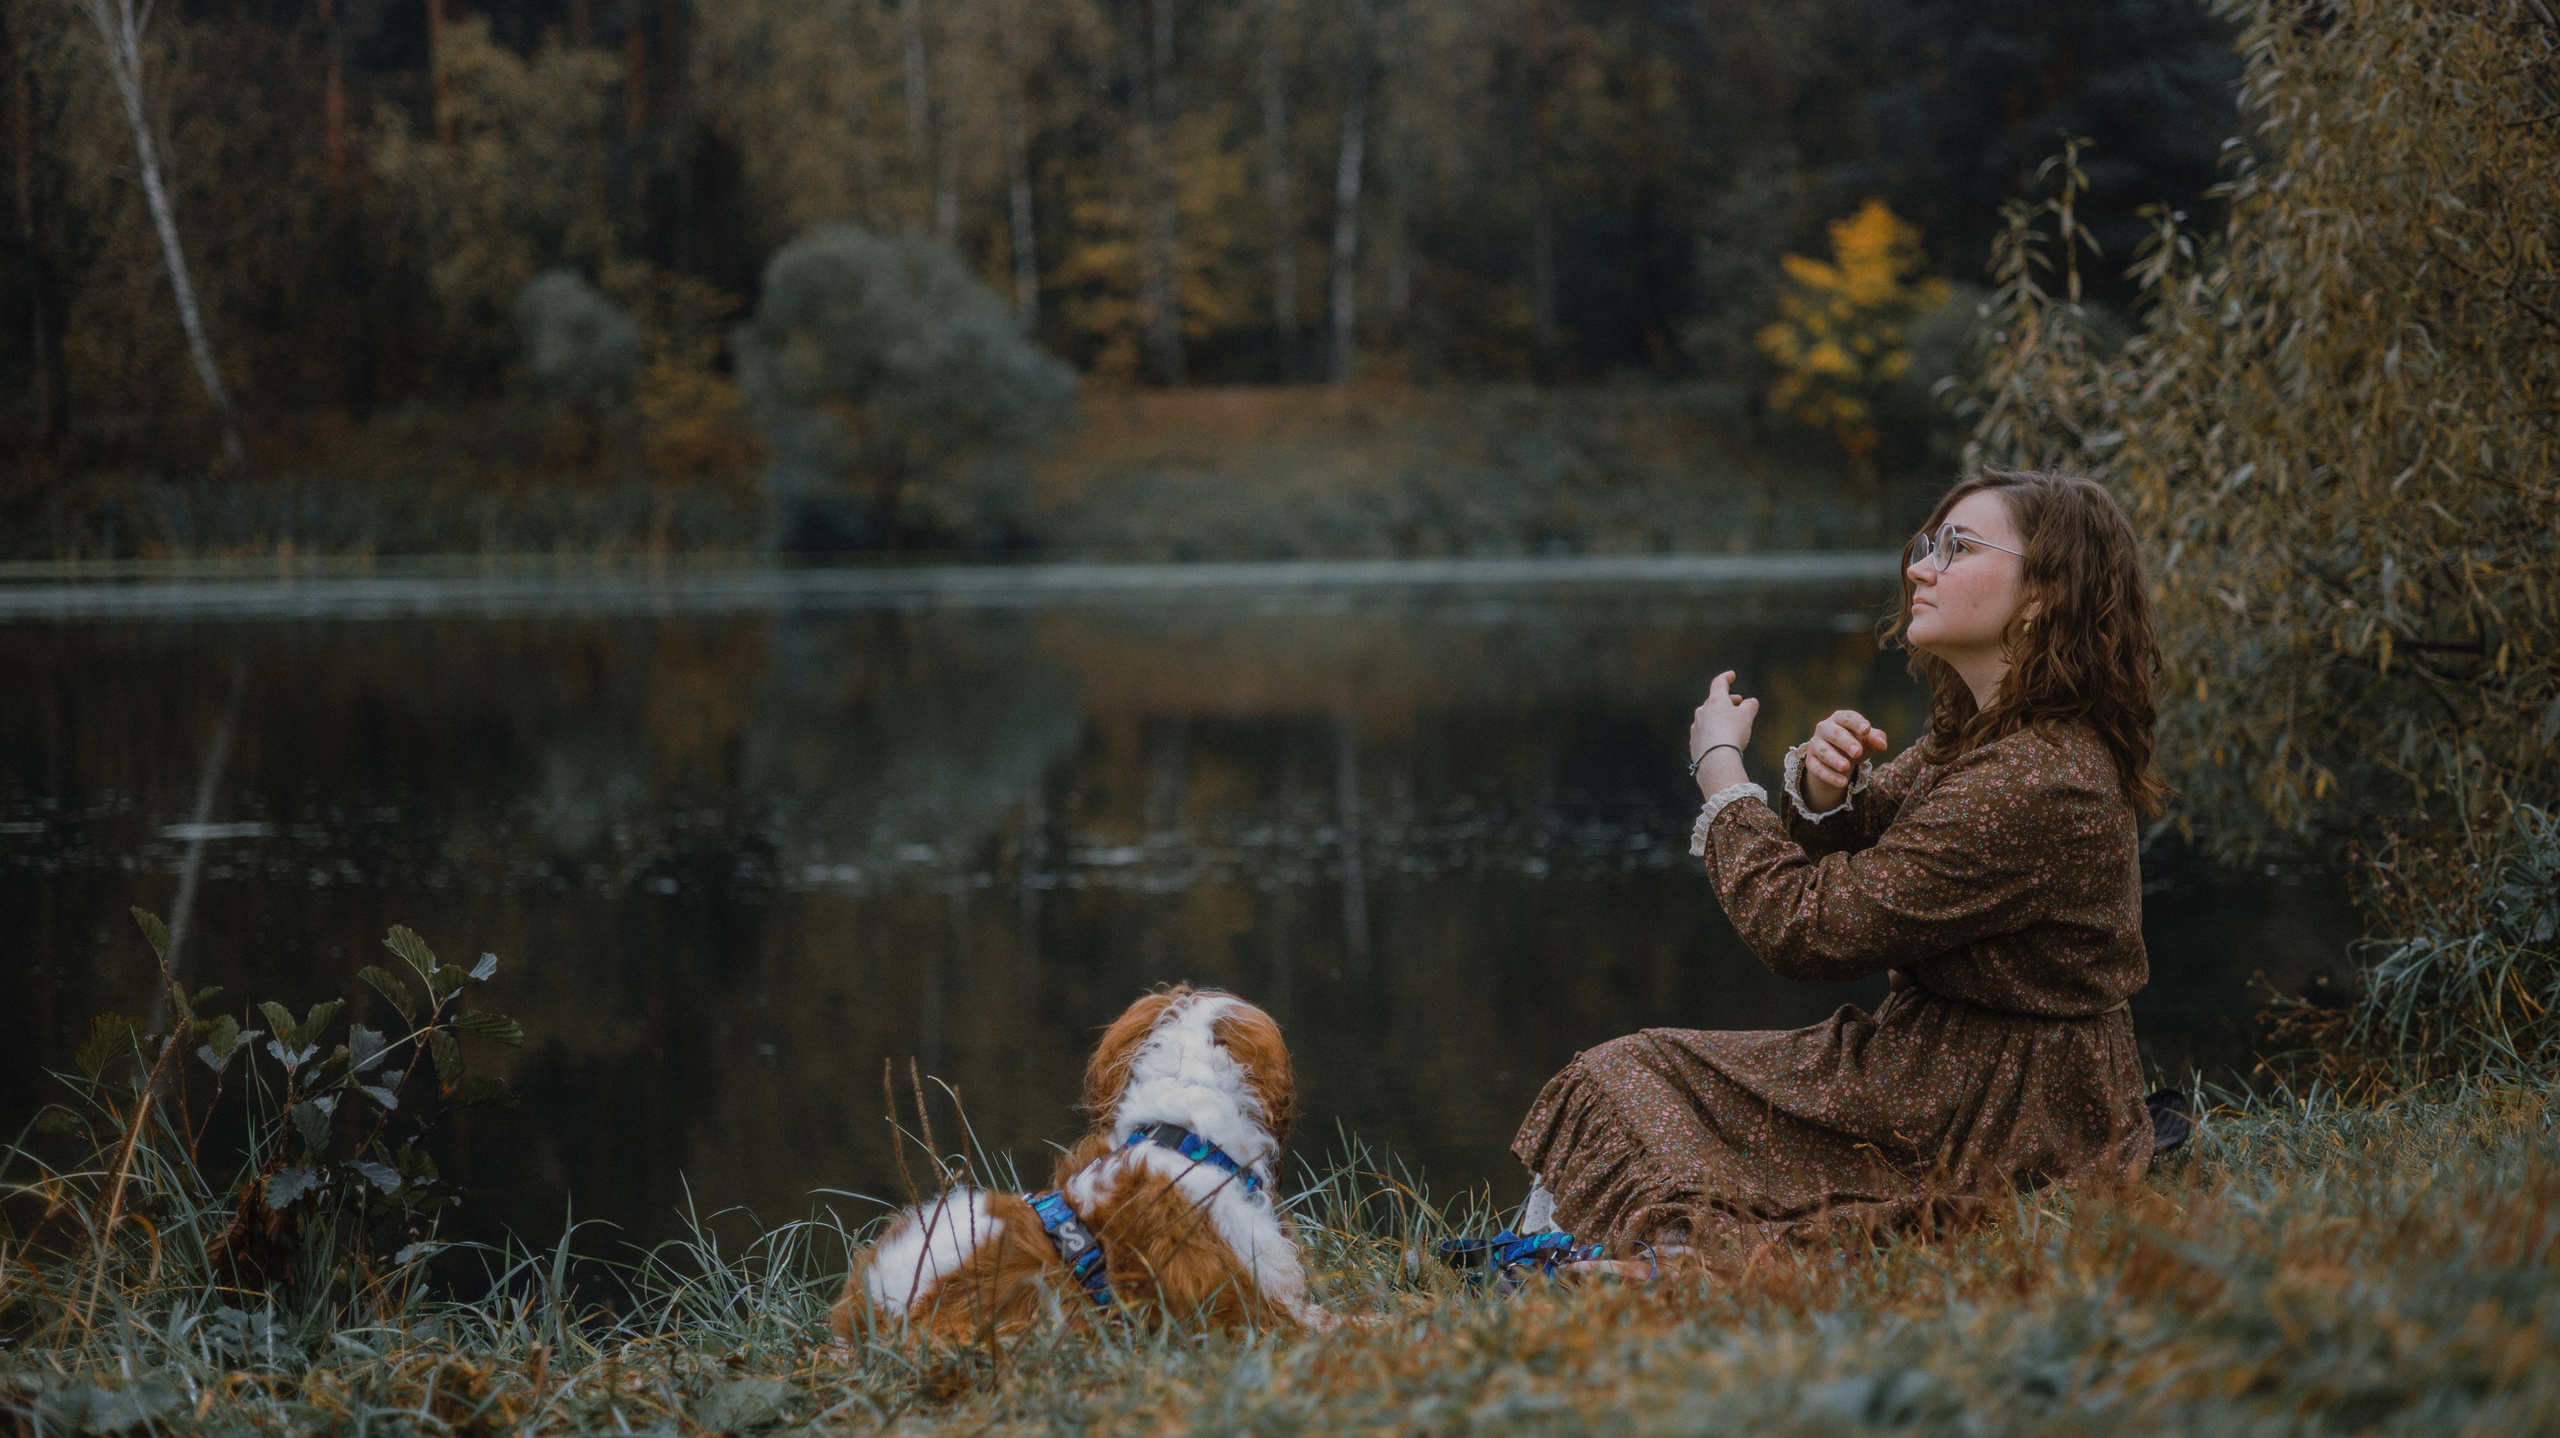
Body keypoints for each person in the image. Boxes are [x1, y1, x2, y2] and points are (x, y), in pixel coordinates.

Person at [1509, 468, 2166, 1271]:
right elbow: (1884, 847)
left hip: (1999, 1112)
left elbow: (1807, 928)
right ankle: (1590, 1259)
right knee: (1637, 1079)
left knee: (1628, 1078)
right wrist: (1825, 792)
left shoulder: (2037, 775)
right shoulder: (1992, 733)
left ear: (2042, 594)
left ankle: (1651, 1265)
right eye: (1926, 545)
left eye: (1957, 549)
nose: (1919, 568)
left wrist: (1722, 771)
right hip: (1948, 1071)